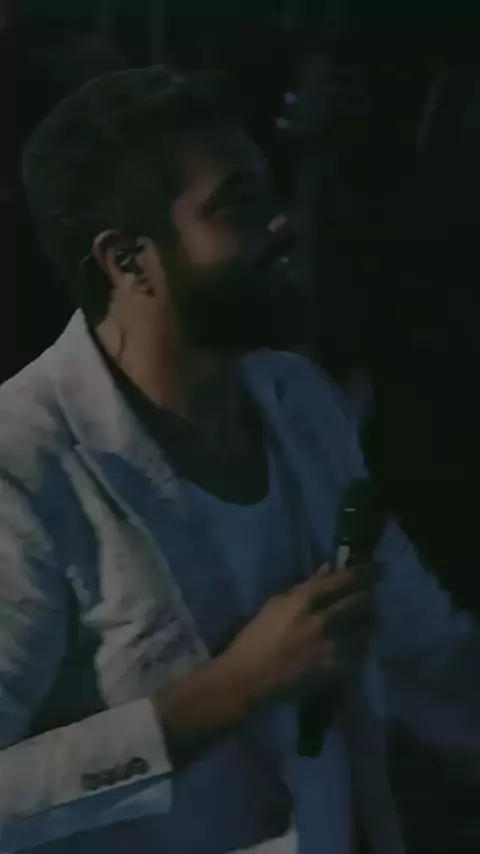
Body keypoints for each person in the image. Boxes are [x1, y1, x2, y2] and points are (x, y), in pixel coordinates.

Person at [0, 67, 479, 854]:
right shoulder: (24, 470)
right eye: (237, 205)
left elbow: (428, 654)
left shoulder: (299, 400)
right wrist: (228, 692)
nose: (282, 223)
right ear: (128, 261)